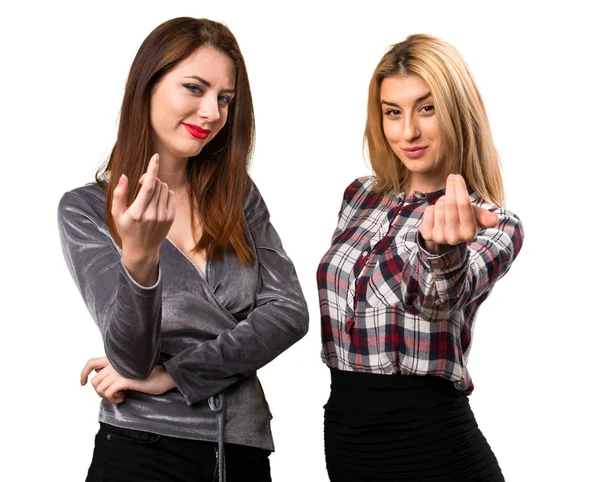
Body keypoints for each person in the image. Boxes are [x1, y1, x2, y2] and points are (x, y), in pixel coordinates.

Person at [57, 17, 309, 482]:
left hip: (240, 448)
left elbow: (289, 314)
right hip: (142, 448)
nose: (211, 112)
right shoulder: (87, 209)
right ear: (147, 87)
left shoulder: (238, 196)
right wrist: (140, 258)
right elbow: (131, 359)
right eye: (194, 88)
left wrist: (176, 373)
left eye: (225, 98)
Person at [317, 34, 524, 481]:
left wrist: (438, 251)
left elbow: (439, 300)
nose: (407, 131)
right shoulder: (360, 197)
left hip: (432, 444)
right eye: (393, 112)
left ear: (456, 112)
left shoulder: (495, 223)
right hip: (347, 440)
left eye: (426, 109)